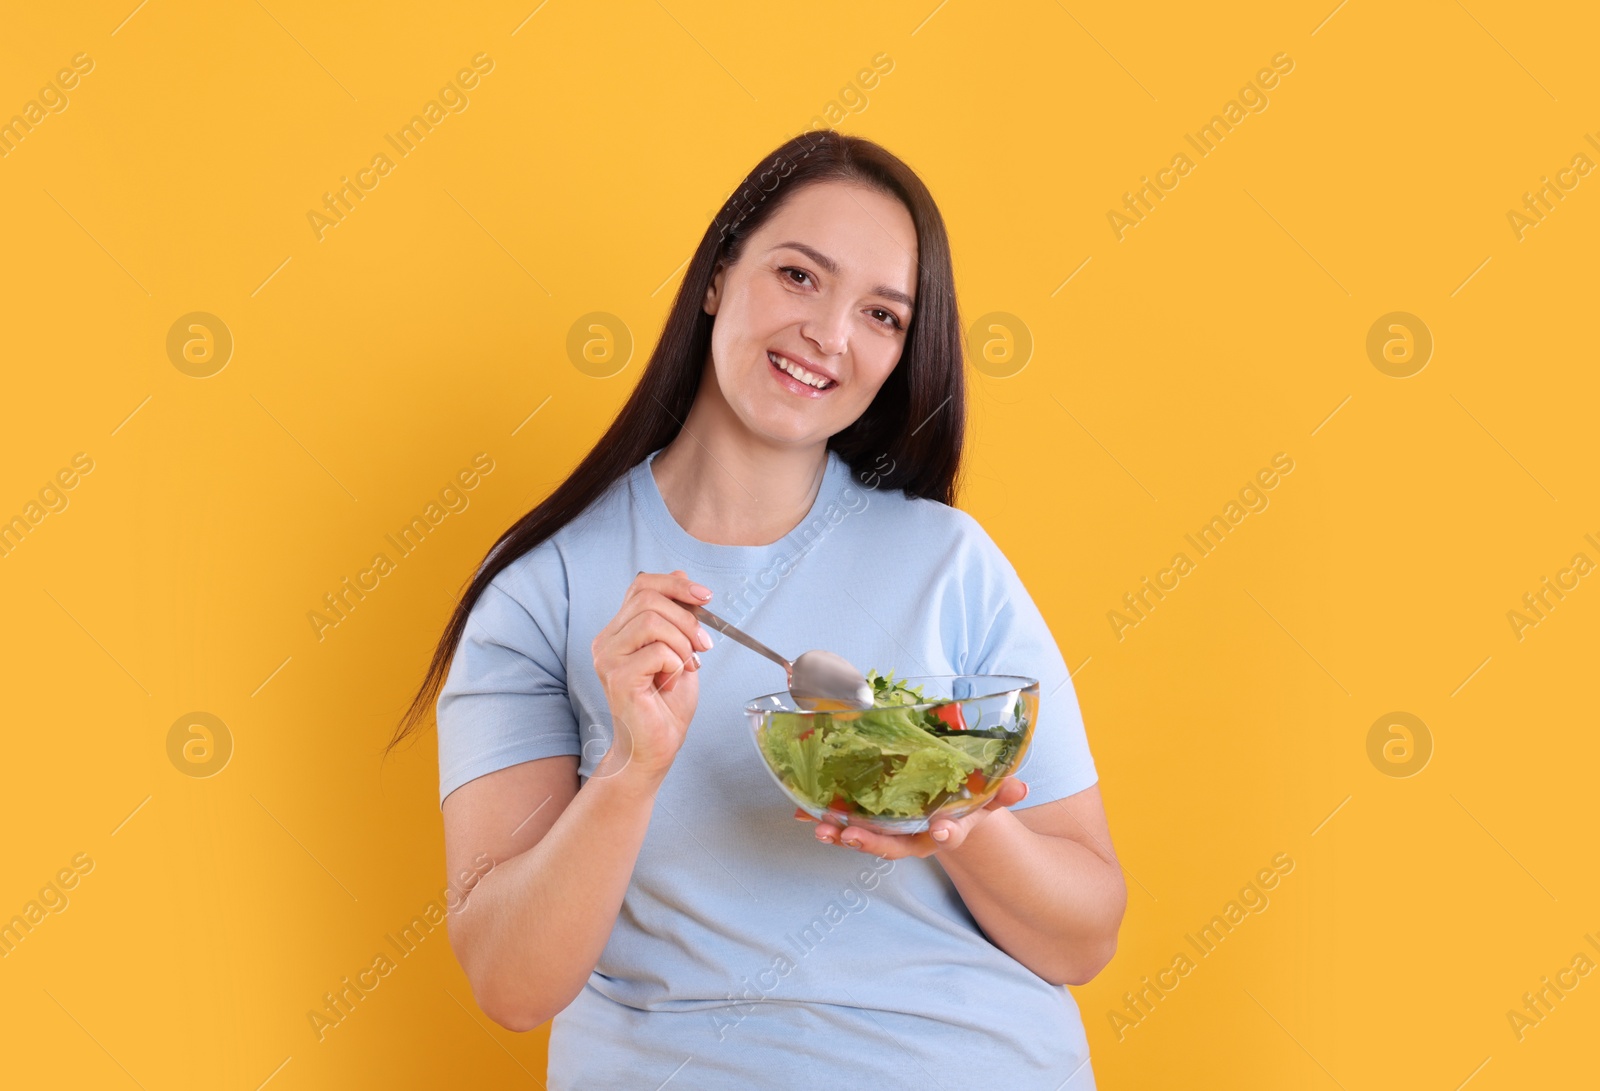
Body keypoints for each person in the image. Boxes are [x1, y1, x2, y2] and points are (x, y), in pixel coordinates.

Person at [386, 129, 1126, 1089]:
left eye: (883, 315)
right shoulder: (546, 585)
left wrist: (955, 810)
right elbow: (512, 984)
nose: (831, 335)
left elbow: (1084, 936)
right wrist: (628, 768)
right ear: (717, 275)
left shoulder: (950, 562)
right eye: (799, 276)